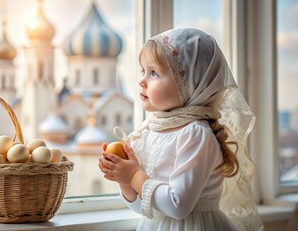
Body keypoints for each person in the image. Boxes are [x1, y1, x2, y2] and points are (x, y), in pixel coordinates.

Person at [98, 28, 263, 231]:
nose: (141, 80)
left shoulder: (196, 134)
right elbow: (145, 208)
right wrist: (124, 180)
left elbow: (178, 206)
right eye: (143, 71)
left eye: (154, 73)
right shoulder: (149, 131)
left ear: (191, 84)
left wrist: (133, 175)